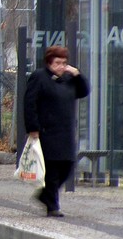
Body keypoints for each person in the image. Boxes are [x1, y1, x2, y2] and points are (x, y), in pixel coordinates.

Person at [24, 44, 90, 217]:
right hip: (47, 132)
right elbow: (29, 103)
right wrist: (33, 128)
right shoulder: (39, 77)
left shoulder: (68, 79)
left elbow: (84, 91)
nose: (61, 66)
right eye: (57, 63)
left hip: (66, 131)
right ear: (49, 63)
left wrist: (77, 74)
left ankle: (45, 196)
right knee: (52, 170)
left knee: (68, 165)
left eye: (63, 63)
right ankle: (53, 206)